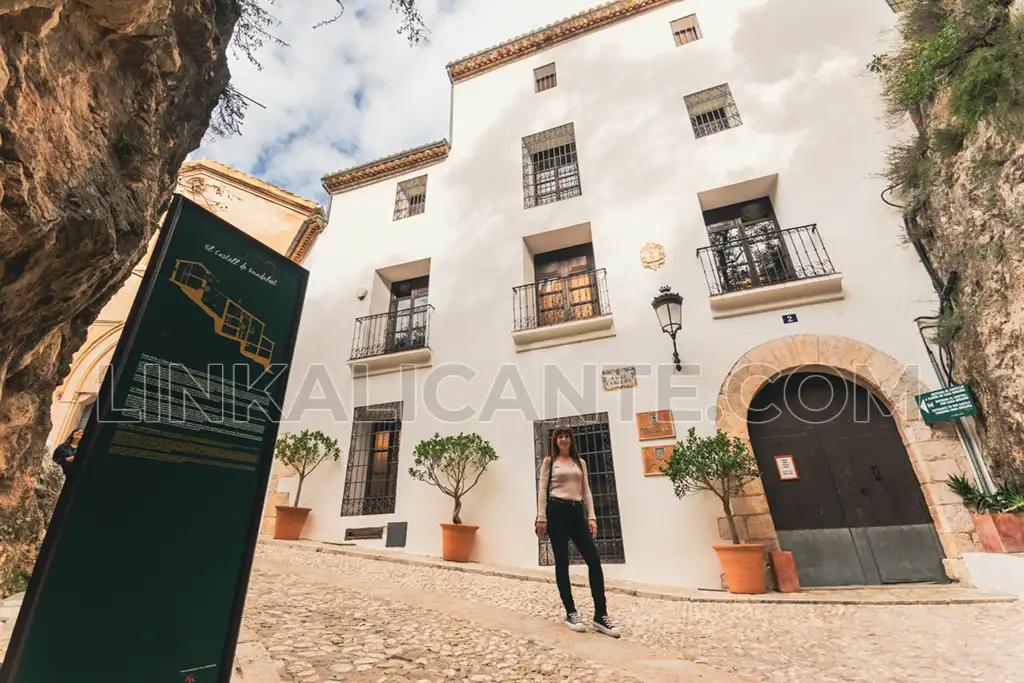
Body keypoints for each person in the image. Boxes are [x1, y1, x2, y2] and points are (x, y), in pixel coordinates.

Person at [535, 425, 620, 637]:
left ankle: (601, 615)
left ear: (572, 440)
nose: (563, 439)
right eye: (559, 436)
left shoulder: (580, 463)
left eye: (566, 436)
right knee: (562, 562)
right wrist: (541, 517)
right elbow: (542, 489)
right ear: (555, 440)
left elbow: (587, 491)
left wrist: (592, 516)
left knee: (593, 558)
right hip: (556, 512)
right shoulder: (549, 462)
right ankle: (570, 611)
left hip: (576, 512)